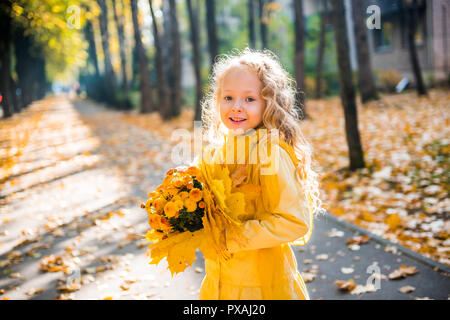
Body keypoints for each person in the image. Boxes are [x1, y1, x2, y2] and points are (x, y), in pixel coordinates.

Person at [197, 48, 324, 300]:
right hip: (219, 283)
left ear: (269, 103)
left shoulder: (271, 153)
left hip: (261, 286)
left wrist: (234, 236)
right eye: (228, 97)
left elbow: (295, 221)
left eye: (249, 99)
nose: (236, 107)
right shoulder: (216, 150)